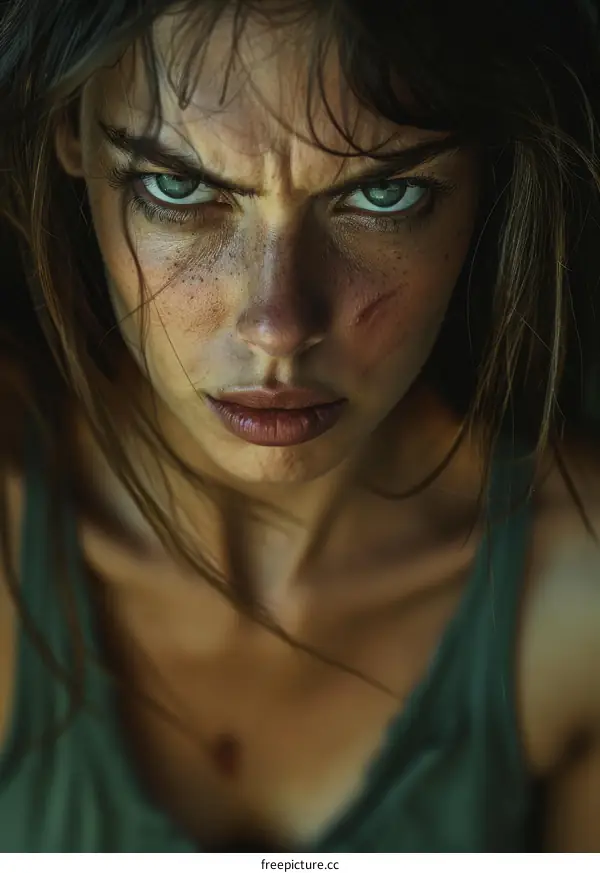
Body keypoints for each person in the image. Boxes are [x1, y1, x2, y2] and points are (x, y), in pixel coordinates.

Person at [0, 0, 599, 853]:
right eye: (180, 188)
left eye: (382, 195)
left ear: (486, 170)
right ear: (73, 134)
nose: (277, 324)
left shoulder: (575, 603)